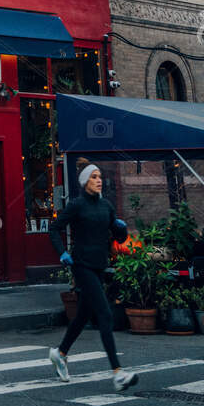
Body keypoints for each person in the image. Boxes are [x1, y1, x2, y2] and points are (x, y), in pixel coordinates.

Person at [48, 163, 138, 392]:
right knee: (105, 314)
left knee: (83, 316)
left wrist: (122, 228)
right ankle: (118, 373)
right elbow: (54, 228)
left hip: (99, 265)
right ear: (85, 181)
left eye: (100, 177)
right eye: (94, 177)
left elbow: (118, 236)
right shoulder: (76, 206)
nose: (99, 180)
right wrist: (62, 253)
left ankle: (60, 353)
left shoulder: (106, 206)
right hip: (82, 265)